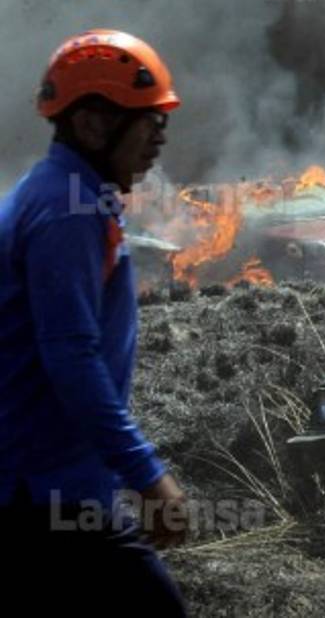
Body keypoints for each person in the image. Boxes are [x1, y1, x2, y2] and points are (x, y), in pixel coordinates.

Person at [0, 30, 189, 615]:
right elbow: (71, 358)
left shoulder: (63, 194)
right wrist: (146, 474)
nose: (159, 139)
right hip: (45, 492)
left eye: (163, 122)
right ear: (91, 126)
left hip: (45, 485)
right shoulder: (65, 211)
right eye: (146, 120)